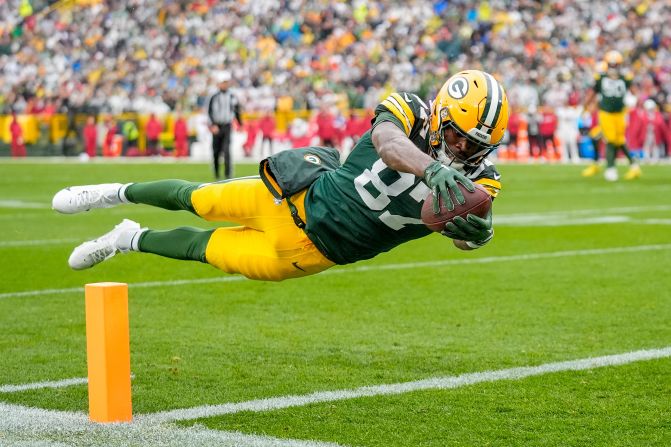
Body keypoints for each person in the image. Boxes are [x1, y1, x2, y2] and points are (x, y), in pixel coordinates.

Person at [52, 70, 508, 282]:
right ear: (441, 114)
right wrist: (430, 168)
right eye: (458, 135)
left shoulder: (482, 181)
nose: (464, 149)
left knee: (200, 249)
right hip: (293, 199)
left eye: (476, 144)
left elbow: (464, 237)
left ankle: (125, 238)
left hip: (310, 255)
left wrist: (478, 234)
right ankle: (112, 193)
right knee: (198, 198)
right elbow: (389, 143)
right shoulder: (410, 110)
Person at [581, 51, 641, 181]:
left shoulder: (625, 77)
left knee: (618, 140)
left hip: (620, 113)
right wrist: (585, 106)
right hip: (606, 113)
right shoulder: (601, 77)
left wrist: (635, 103)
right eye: (611, 65)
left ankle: (633, 166)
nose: (613, 68)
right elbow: (592, 92)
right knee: (610, 139)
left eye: (615, 65)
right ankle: (610, 168)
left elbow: (635, 92)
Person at [207, 71, 242, 179]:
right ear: (219, 84)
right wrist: (213, 125)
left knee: (227, 151)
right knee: (216, 151)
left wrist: (240, 123)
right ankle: (217, 173)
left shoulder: (232, 96)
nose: (225, 84)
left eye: (226, 82)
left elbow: (237, 110)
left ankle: (228, 174)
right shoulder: (214, 97)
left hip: (227, 126)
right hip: (217, 126)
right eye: (223, 82)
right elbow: (210, 112)